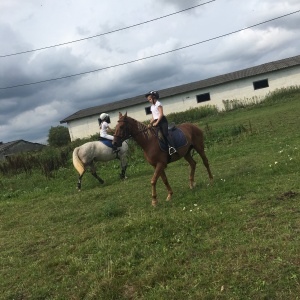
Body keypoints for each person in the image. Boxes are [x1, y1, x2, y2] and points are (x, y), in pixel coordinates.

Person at [145, 90, 176, 155]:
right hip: (156, 121)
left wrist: (156, 123)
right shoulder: (152, 106)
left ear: (154, 98)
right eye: (148, 100)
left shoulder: (158, 104)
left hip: (162, 121)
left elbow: (161, 114)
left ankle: (172, 147)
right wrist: (150, 123)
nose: (149, 101)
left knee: (165, 133)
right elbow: (153, 117)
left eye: (150, 99)